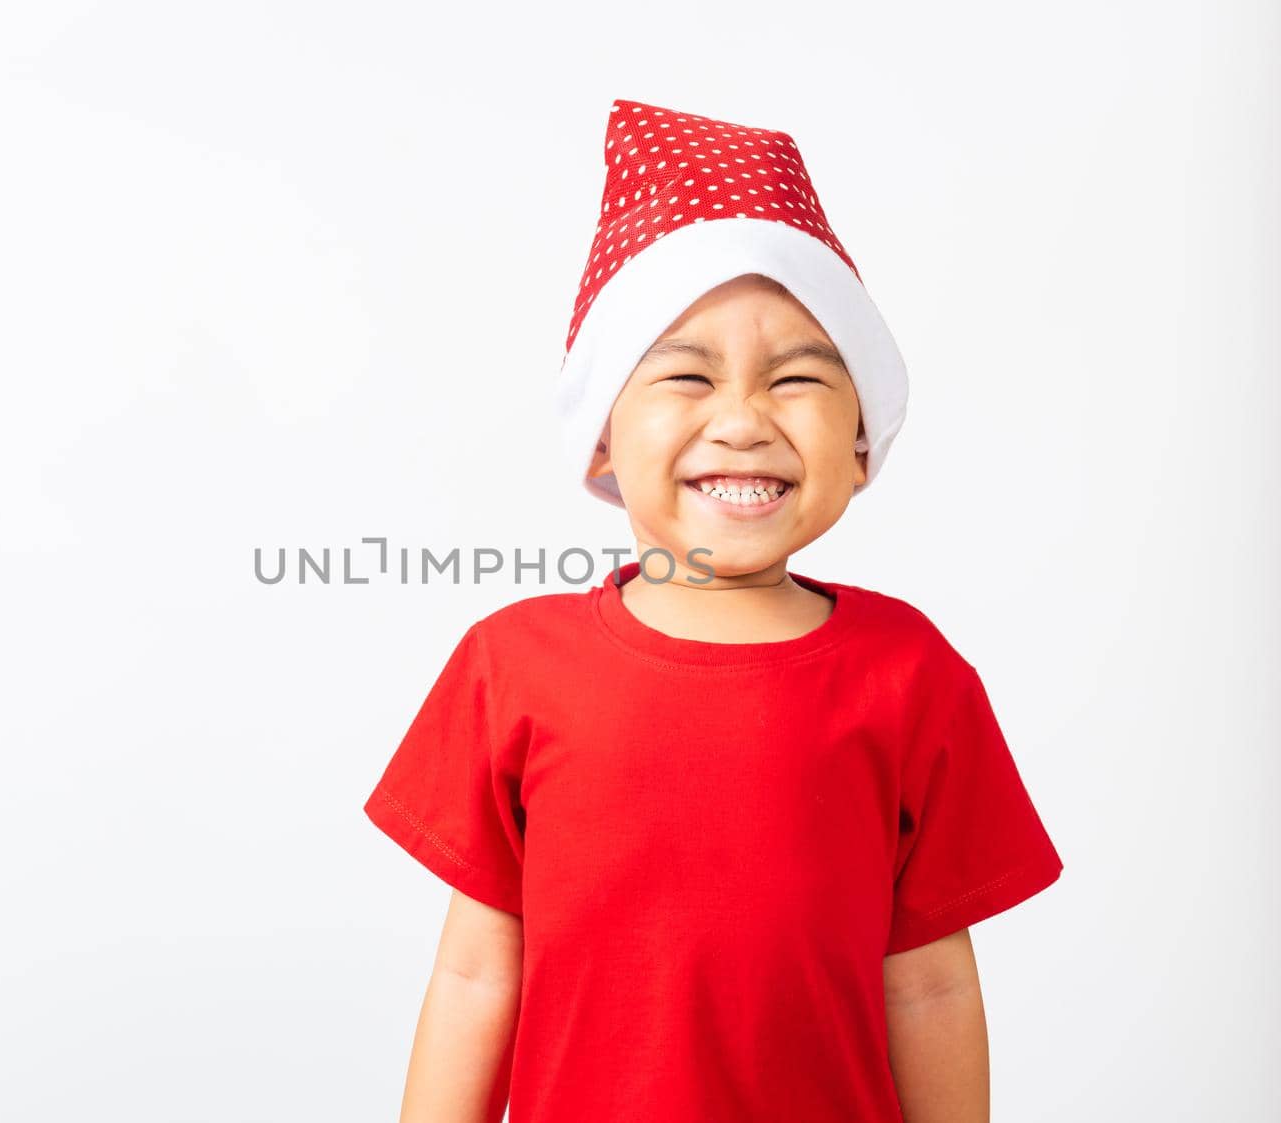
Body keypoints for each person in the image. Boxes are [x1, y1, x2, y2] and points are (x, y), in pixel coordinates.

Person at [361, 96, 1064, 1123]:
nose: (740, 420)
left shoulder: (909, 672)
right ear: (601, 439)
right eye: (685, 375)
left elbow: (930, 983)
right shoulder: (510, 666)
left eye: (797, 380)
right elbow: (474, 973)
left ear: (862, 444)